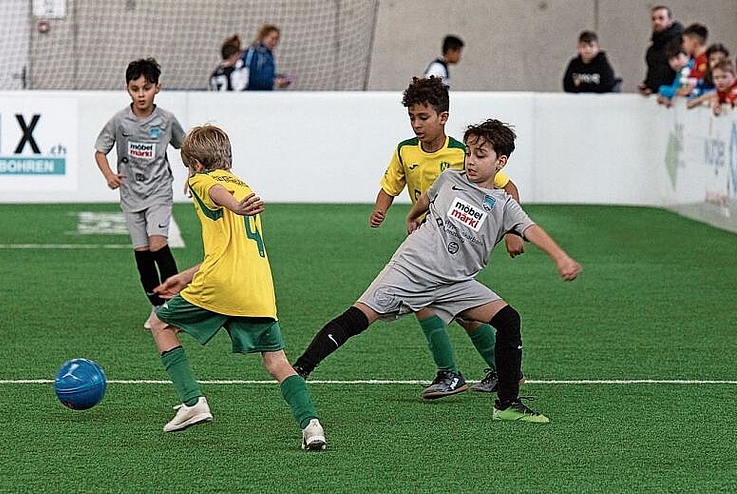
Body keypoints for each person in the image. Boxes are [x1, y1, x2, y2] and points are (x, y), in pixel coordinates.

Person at [293, 119, 582, 423]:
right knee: (359, 317)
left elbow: (531, 229)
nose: (471, 160)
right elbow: (426, 198)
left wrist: (560, 257)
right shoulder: (449, 179)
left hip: (455, 282)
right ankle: (300, 368)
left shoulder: (503, 205)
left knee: (509, 319)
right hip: (412, 269)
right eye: (469, 152)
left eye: (480, 155)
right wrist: (412, 215)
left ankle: (507, 404)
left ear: (501, 161)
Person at [338, 75, 524, 399]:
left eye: (423, 117)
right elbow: (390, 185)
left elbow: (508, 188)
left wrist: (511, 233)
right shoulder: (405, 151)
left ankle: (450, 374)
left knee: (424, 302)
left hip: (460, 244)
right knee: (465, 314)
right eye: (411, 117)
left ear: (443, 118)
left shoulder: (463, 154)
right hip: (429, 241)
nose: (416, 124)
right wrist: (380, 210)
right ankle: (505, 370)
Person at [148, 124, 327, 450]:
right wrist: (186, 276)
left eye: (189, 165)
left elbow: (215, 192)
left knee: (159, 323)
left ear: (197, 164)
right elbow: (229, 249)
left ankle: (193, 402)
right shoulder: (244, 186)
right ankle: (311, 425)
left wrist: (231, 204)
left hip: (221, 285)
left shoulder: (203, 180)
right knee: (277, 362)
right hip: (256, 289)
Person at [94, 58, 185, 329]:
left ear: (157, 88)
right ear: (127, 89)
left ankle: (176, 307)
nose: (141, 94)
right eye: (135, 89)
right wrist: (109, 175)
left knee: (158, 244)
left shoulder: (167, 120)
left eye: (146, 88)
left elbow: (185, 147)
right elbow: (100, 150)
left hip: (159, 190)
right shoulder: (120, 121)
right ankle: (158, 308)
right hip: (131, 194)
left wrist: (193, 173)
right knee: (142, 253)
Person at [638, 5, 683, 95]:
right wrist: (648, 86)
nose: (657, 22)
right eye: (653, 19)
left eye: (661, 18)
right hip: (659, 96)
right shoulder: (651, 50)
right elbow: (653, 74)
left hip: (676, 95)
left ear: (670, 21)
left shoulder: (680, 43)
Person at [243, 24, 292, 91]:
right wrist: (273, 81)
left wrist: (279, 78)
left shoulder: (268, 54)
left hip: (266, 93)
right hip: (253, 94)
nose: (274, 42)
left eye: (277, 39)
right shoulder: (253, 52)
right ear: (264, 37)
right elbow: (249, 75)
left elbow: (266, 75)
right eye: (272, 38)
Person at [656, 41, 692, 107]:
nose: (675, 62)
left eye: (678, 58)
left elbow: (684, 91)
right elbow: (675, 87)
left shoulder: (688, 69)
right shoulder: (679, 73)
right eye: (671, 59)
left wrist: (663, 90)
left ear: (687, 55)